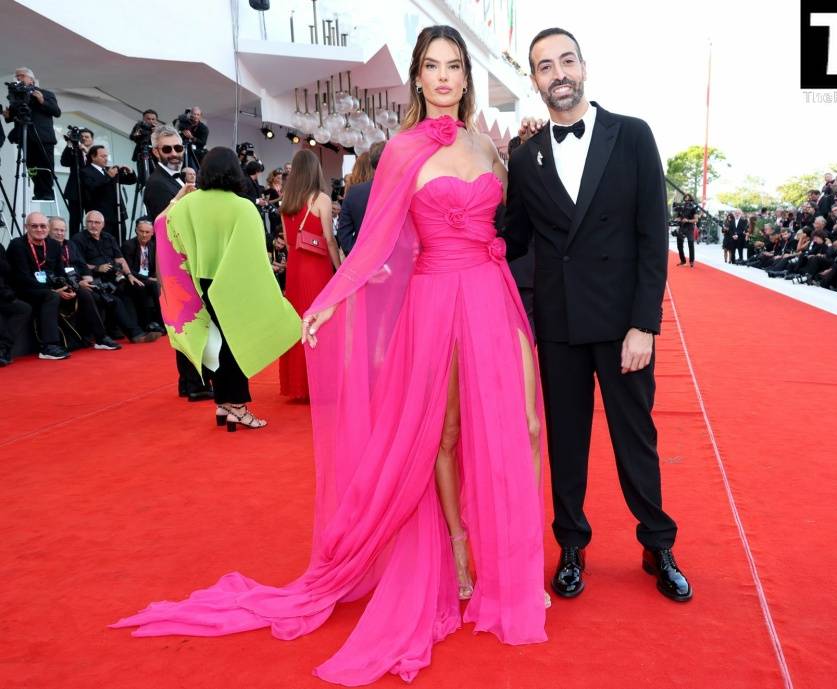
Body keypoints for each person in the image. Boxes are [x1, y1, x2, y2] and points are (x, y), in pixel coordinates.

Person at [114, 26, 548, 685]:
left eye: (453, 66)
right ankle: (459, 548)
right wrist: (322, 303)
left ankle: (511, 565)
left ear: (466, 77)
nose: (443, 77)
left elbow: (507, 228)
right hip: (434, 299)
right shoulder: (401, 151)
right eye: (431, 66)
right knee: (446, 431)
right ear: (417, 77)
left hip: (490, 295)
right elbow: (373, 243)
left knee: (521, 426)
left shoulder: (487, 146)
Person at [507, 27, 689, 602]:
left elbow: (650, 234)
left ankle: (658, 544)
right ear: (534, 80)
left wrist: (645, 324)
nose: (557, 73)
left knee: (636, 438)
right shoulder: (525, 156)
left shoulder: (632, 135)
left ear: (583, 67)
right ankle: (571, 546)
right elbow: (510, 239)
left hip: (621, 325)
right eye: (544, 66)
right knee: (567, 441)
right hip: (558, 325)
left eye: (566, 61)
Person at [142, 148, 299, 431]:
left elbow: (160, 224)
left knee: (216, 343)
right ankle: (237, 407)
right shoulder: (242, 206)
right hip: (235, 281)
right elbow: (254, 253)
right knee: (235, 343)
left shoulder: (188, 205)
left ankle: (223, 406)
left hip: (200, 281)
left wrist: (177, 198)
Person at [143, 125, 213, 401]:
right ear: (155, 152)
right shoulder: (157, 183)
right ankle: (194, 383)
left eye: (178, 148)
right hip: (174, 264)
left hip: (186, 260)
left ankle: (191, 380)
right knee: (187, 321)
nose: (174, 153)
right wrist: (181, 196)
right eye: (167, 149)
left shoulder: (178, 181)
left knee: (192, 319)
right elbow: (161, 222)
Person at [278, 149, 341, 399]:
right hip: (317, 268)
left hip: (295, 269)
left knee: (298, 324)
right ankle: (320, 383)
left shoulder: (286, 202)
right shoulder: (321, 199)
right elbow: (330, 240)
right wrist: (339, 268)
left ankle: (298, 385)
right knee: (321, 324)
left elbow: (289, 242)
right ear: (316, 171)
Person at [72, 211, 160, 344]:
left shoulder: (108, 238)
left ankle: (145, 326)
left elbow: (120, 259)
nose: (93, 225)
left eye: (97, 223)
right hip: (95, 280)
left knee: (134, 288)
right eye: (90, 222)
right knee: (117, 300)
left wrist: (129, 275)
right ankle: (135, 334)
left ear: (103, 224)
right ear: (85, 223)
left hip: (115, 278)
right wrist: (97, 268)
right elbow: (79, 264)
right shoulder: (78, 239)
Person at [47, 215, 122, 350]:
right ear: (49, 230)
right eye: (56, 230)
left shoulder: (70, 244)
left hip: (79, 281)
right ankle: (100, 337)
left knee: (105, 294)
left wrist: (87, 277)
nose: (60, 233)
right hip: (63, 285)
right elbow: (55, 272)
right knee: (88, 295)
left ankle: (93, 335)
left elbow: (82, 264)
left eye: (62, 230)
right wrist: (78, 283)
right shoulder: (48, 246)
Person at [6, 212, 73, 359]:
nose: (39, 229)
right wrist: (53, 290)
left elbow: (60, 271)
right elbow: (22, 278)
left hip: (47, 288)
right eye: (34, 226)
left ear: (48, 228)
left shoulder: (54, 245)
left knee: (82, 293)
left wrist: (68, 286)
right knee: (51, 296)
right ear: (26, 227)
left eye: (43, 226)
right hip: (24, 289)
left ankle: (94, 338)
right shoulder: (17, 245)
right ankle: (49, 346)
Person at [2, 67, 60, 201]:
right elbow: (14, 116)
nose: (18, 78)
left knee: (45, 165)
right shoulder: (16, 96)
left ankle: (47, 191)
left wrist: (42, 101)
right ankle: (38, 191)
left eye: (21, 76)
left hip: (43, 137)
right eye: (17, 76)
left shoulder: (46, 93)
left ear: (31, 79)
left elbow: (57, 112)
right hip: (25, 137)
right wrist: (8, 116)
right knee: (31, 167)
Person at [81, 145, 138, 244]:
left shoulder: (108, 169)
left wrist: (130, 173)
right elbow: (93, 188)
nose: (106, 159)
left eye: (106, 156)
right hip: (102, 215)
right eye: (102, 156)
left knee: (121, 242)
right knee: (105, 244)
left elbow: (131, 181)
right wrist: (108, 176)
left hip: (118, 214)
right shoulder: (85, 171)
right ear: (93, 157)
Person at [336, 141, 385, 255]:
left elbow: (344, 233)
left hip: (364, 260)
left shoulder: (354, 192)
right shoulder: (401, 190)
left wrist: (358, 256)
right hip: (398, 263)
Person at [121, 218, 163, 332]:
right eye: (141, 231)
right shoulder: (128, 245)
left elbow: (155, 267)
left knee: (160, 286)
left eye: (147, 232)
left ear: (152, 233)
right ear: (136, 231)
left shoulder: (153, 246)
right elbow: (127, 269)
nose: (144, 235)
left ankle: (162, 322)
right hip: (132, 279)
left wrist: (157, 277)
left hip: (148, 278)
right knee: (150, 286)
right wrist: (148, 278)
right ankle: (149, 323)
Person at [0, 242, 32, 366]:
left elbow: (6, 273)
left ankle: (4, 348)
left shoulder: (0, 247)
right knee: (22, 308)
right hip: (2, 293)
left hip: (4, 292)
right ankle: (3, 348)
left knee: (23, 308)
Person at [59, 127, 93, 236]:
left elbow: (99, 166)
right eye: (81, 137)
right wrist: (70, 144)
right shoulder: (74, 150)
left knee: (92, 220)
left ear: (92, 140)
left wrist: (87, 152)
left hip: (91, 192)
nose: (84, 139)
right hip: (75, 191)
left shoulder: (95, 153)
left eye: (87, 137)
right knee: (74, 220)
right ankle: (74, 244)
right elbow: (64, 162)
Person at [675, 193, 698, 267]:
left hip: (690, 227)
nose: (686, 199)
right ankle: (683, 261)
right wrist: (677, 219)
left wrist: (687, 220)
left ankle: (691, 261)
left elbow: (696, 220)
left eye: (688, 198)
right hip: (682, 227)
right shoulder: (681, 207)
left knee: (690, 244)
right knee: (679, 245)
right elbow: (679, 217)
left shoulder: (693, 207)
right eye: (685, 198)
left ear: (690, 199)